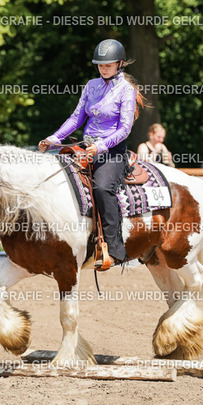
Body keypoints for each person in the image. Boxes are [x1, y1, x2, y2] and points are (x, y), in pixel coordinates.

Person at [38, 39, 145, 268]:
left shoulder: (126, 90)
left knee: (102, 188)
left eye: (108, 65)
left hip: (112, 151)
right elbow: (76, 118)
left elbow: (125, 129)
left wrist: (102, 146)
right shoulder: (91, 85)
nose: (103, 69)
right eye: (100, 65)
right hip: (85, 148)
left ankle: (114, 249)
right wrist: (54, 138)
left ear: (120, 64)